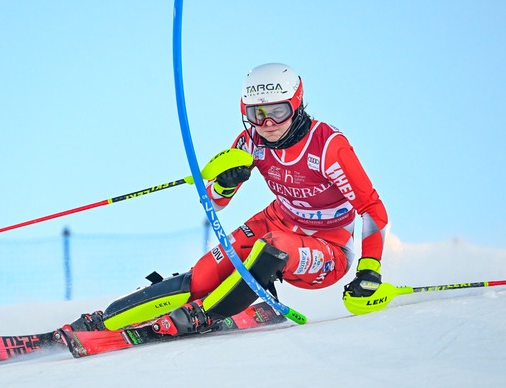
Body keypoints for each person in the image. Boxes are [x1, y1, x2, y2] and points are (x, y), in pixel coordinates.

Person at [70, 63, 388, 335]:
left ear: (297, 103)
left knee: (275, 246)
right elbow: (215, 202)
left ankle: (205, 314)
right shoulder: (250, 141)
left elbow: (371, 207)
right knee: (204, 275)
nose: (267, 124)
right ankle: (108, 319)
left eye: (278, 112)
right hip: (279, 219)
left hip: (329, 246)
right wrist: (224, 184)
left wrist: (369, 270)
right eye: (256, 114)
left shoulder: (329, 147)